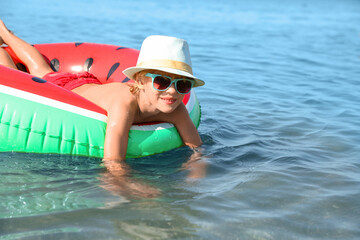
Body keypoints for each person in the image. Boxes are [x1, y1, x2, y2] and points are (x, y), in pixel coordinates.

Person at [0, 19, 206, 197]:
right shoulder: (125, 103)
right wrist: (129, 184)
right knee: (37, 71)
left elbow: (197, 150)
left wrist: (195, 181)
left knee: (41, 69)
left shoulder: (176, 109)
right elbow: (113, 162)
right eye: (161, 81)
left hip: (90, 81)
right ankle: (4, 34)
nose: (172, 92)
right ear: (140, 81)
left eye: (182, 84)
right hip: (67, 88)